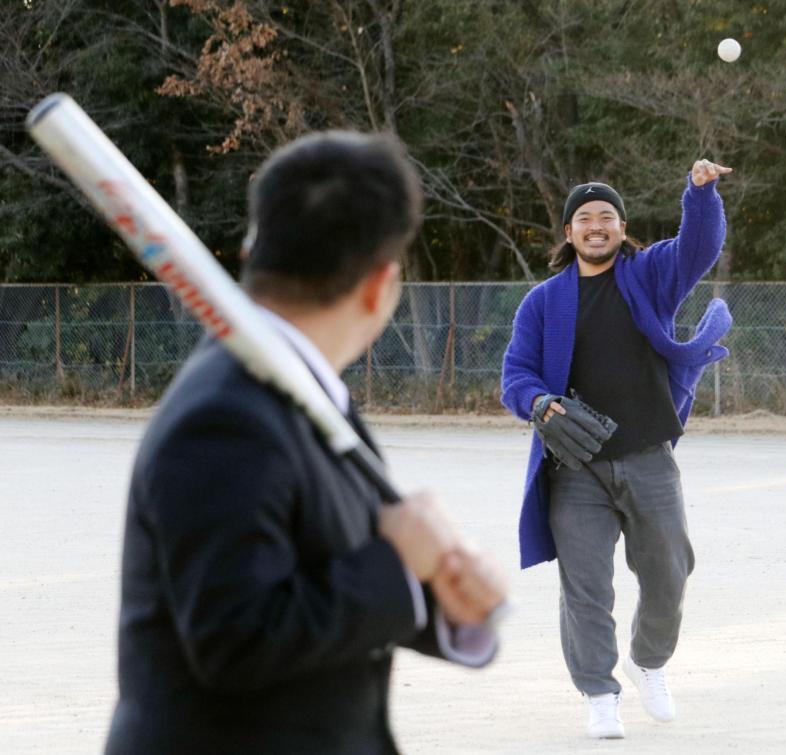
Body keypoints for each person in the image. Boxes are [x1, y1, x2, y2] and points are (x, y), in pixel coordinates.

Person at [105, 131, 507, 754]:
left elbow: (320, 568)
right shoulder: (224, 417)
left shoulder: (307, 389)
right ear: (381, 287)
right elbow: (235, 639)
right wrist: (398, 563)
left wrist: (440, 598)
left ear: (249, 248)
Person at [501, 160, 733, 739]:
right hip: (575, 467)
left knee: (669, 574)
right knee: (586, 586)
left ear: (623, 228)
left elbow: (698, 248)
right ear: (569, 233)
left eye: (606, 215)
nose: (596, 225)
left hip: (649, 455)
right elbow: (515, 375)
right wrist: (537, 403)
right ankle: (599, 693)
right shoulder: (543, 302)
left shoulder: (649, 275)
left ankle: (647, 661)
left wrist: (699, 194)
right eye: (584, 217)